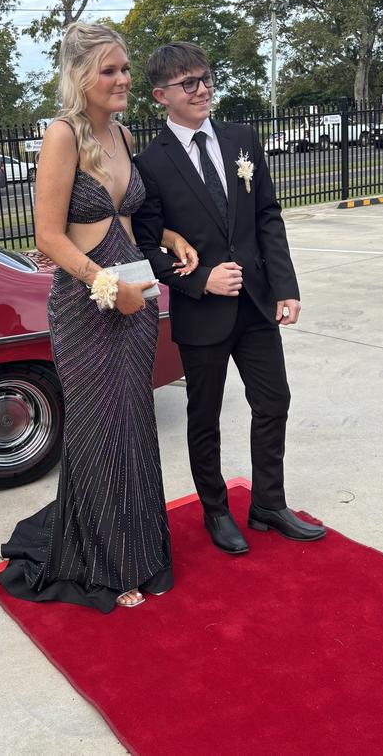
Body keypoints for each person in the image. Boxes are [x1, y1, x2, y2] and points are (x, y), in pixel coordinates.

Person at [0, 23, 198, 613]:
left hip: (136, 305)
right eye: (109, 70)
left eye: (125, 69)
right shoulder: (62, 136)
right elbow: (49, 238)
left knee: (133, 424)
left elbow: (132, 221)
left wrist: (170, 235)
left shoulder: (125, 136)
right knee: (97, 429)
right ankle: (102, 564)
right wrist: (107, 285)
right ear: (80, 77)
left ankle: (139, 552)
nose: (123, 80)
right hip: (85, 309)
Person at [132, 42, 326, 554]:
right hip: (203, 314)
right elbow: (147, 247)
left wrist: (285, 286)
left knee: (274, 401)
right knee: (205, 417)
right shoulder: (150, 163)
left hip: (258, 304)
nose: (203, 88)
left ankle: (268, 503)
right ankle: (216, 511)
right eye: (188, 83)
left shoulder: (241, 139)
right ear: (161, 96)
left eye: (206, 78)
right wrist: (199, 282)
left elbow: (267, 215)